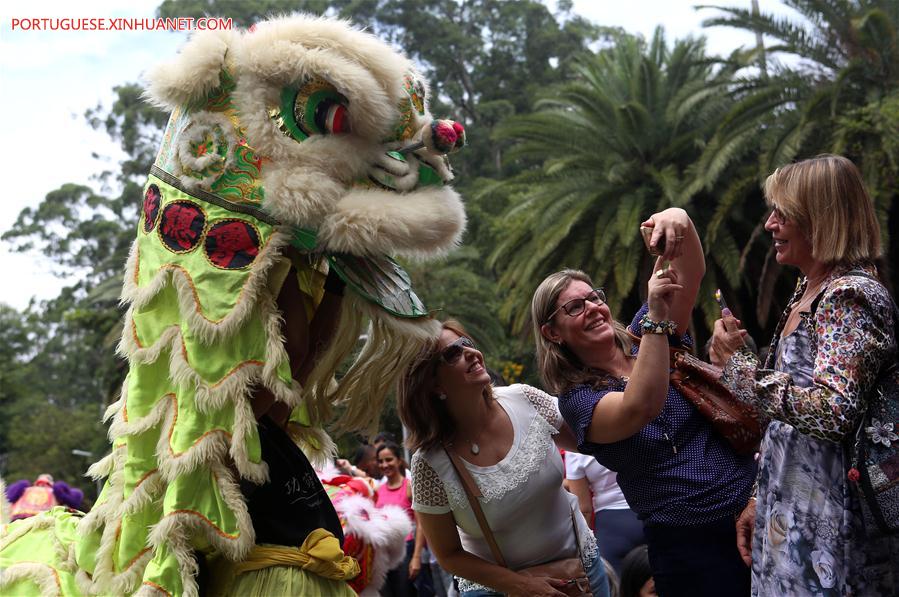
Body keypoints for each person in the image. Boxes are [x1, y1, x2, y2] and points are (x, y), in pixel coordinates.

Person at [531, 208, 756, 597]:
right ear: (552, 332)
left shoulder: (643, 336)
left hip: (756, 509)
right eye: (574, 307)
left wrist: (677, 220)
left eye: (593, 298)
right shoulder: (579, 400)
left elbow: (691, 272)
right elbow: (641, 406)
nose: (593, 309)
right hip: (691, 546)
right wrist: (655, 318)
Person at [710, 155, 898, 595]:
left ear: (822, 218)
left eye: (784, 213)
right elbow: (786, 418)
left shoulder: (849, 294)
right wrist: (761, 496)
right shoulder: (809, 291)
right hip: (791, 508)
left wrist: (739, 367)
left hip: (831, 519)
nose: (770, 224)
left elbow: (834, 411)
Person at [400, 320, 609, 597]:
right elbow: (448, 554)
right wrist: (522, 586)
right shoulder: (430, 464)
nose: (470, 353)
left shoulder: (525, 400)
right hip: (498, 591)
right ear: (432, 384)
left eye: (467, 344)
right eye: (452, 354)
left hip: (581, 572)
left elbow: (593, 441)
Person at [564, 451, 644, 575]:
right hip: (648, 514)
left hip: (612, 528)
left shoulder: (574, 450)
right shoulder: (637, 431)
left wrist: (583, 551)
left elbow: (584, 509)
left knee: (616, 588)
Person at [376, 442, 423, 597]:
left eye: (389, 459)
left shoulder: (409, 487)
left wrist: (416, 557)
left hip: (405, 551)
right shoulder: (378, 491)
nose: (385, 464)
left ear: (398, 460)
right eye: (381, 461)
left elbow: (421, 524)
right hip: (383, 555)